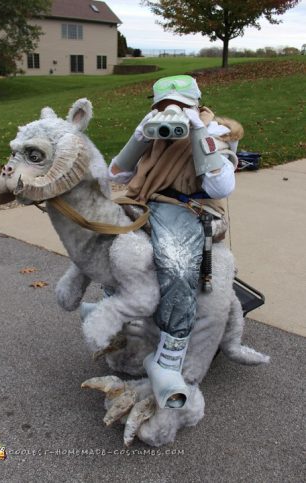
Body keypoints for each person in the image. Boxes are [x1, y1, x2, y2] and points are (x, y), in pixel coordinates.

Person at [108, 75, 243, 409]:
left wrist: (197, 131)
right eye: (163, 107)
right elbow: (116, 175)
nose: (172, 114)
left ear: (196, 105)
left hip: (185, 205)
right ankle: (111, 308)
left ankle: (169, 357)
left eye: (181, 106)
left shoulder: (213, 133)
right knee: (100, 236)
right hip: (144, 200)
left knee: (176, 261)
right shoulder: (153, 133)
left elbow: (220, 188)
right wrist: (139, 136)